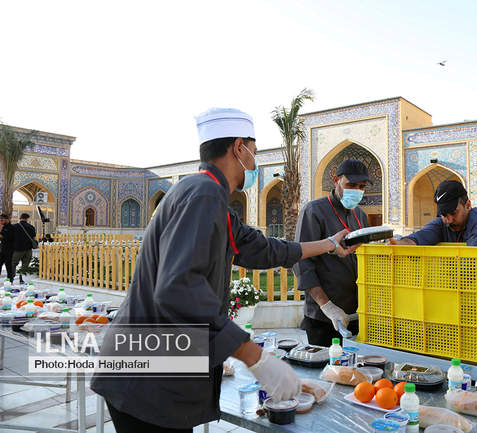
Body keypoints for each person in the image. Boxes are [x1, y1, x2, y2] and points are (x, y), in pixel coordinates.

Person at [91, 108, 358, 432]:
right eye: (255, 153)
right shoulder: (202, 195)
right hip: (148, 376)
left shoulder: (206, 196)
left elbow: (263, 248)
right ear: (238, 148)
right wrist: (255, 357)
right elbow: (178, 290)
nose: (256, 163)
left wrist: (329, 243)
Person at [293, 159, 370, 346]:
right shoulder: (314, 211)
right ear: (336, 180)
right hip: (324, 317)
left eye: (361, 186)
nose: (357, 190)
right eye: (351, 185)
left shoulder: (360, 215)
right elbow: (301, 262)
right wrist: (327, 306)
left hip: (355, 315)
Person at [391, 180, 477, 246]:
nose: (448, 220)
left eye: (453, 213)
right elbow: (417, 238)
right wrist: (400, 244)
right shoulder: (442, 224)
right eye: (443, 215)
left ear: (467, 205)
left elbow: (470, 268)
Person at [12, 213, 36, 283]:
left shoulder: (14, 227)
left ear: (20, 218)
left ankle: (11, 278)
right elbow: (33, 238)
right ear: (27, 219)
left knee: (13, 264)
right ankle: (22, 279)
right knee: (25, 265)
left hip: (17, 250)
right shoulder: (31, 227)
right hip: (28, 249)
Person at [0, 214, 14, 282]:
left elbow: (9, 238)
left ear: (7, 219)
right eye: (0, 220)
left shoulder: (11, 227)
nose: (1, 221)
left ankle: (10, 280)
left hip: (9, 250)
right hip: (2, 250)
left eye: (2, 220)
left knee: (8, 266)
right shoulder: (3, 227)